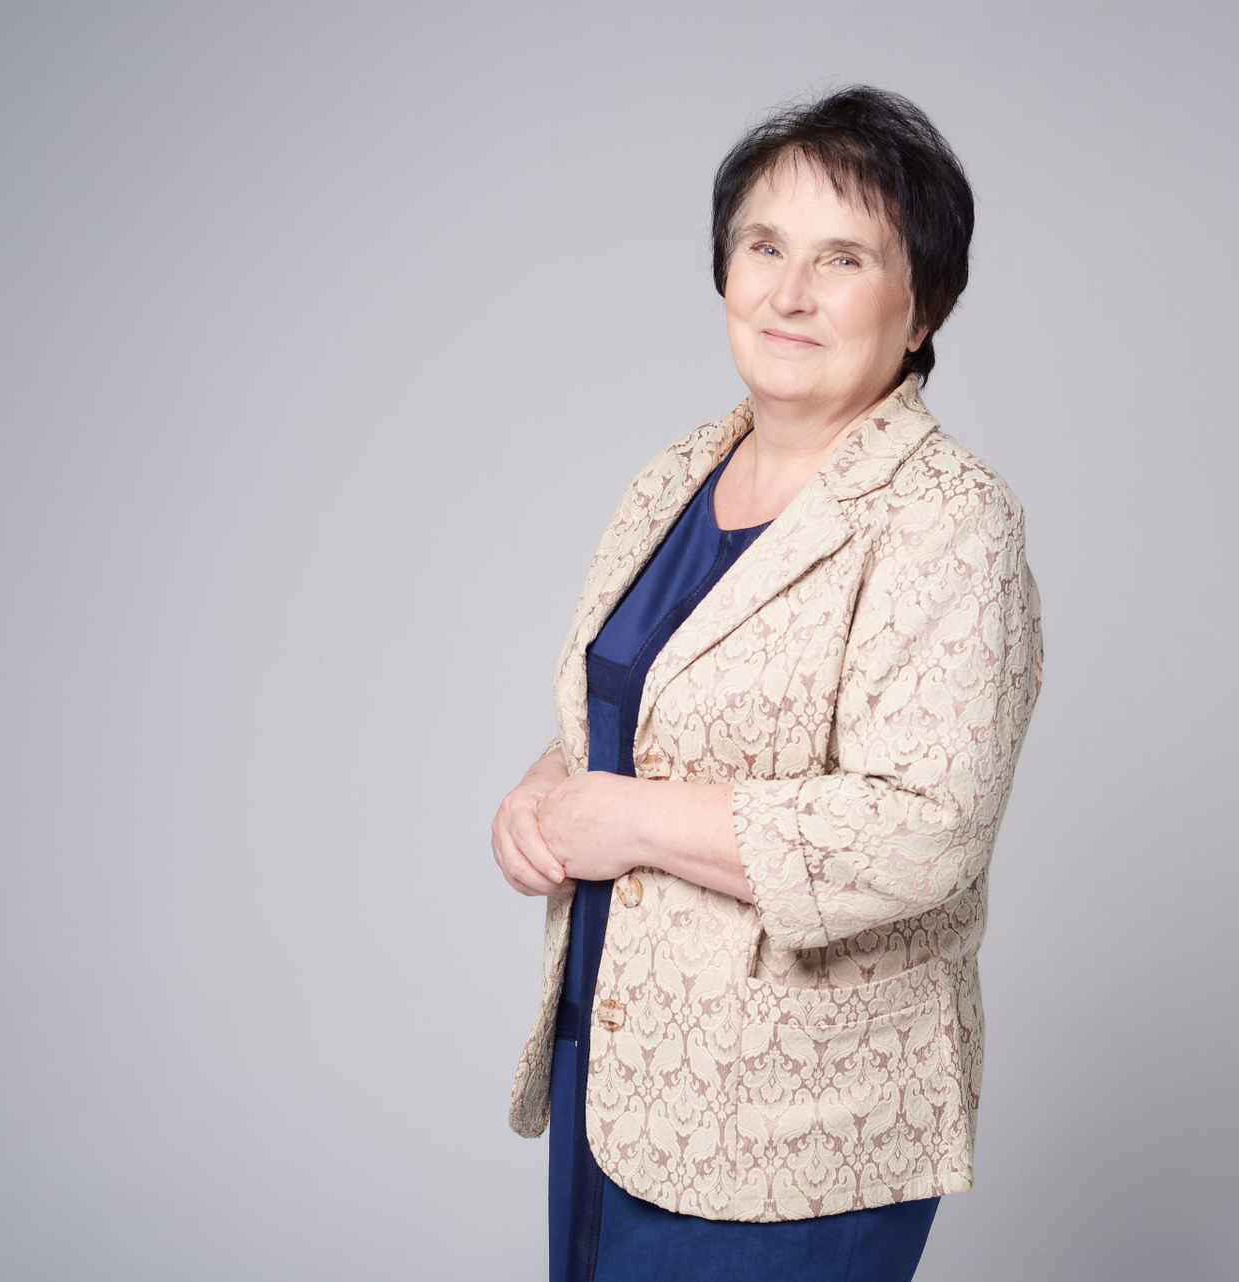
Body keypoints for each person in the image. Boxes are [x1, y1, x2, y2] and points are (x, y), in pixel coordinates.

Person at [490, 86, 1043, 1282]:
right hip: (621, 1066)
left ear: (923, 306)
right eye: (764, 247)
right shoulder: (679, 473)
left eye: (843, 258)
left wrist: (628, 818)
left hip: (798, 1118)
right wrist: (545, 791)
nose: (789, 293)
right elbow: (627, 707)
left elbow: (923, 831)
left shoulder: (949, 520)